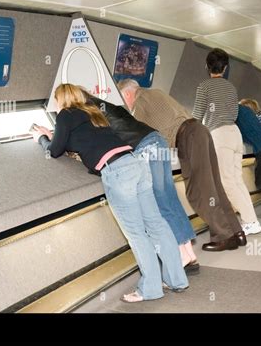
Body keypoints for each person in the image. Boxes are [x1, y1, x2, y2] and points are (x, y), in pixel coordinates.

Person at [32, 84, 188, 302]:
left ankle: (149, 289)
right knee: (156, 224)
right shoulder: (92, 112)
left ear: (61, 101)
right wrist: (56, 135)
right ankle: (177, 280)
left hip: (117, 172)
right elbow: (83, 139)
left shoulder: (66, 114)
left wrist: (42, 138)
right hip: (136, 163)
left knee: (136, 234)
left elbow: (54, 150)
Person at [77, 86, 199, 273]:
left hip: (144, 147)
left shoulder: (90, 112)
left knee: (160, 203)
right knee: (169, 198)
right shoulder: (109, 105)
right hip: (157, 139)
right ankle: (189, 253)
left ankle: (181, 255)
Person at [118, 79, 246, 251]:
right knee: (215, 186)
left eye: (123, 99)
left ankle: (224, 236)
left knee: (198, 192)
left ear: (127, 93)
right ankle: (236, 232)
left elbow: (135, 131)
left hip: (188, 138)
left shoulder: (140, 100)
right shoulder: (157, 92)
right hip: (199, 131)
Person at [191, 48, 261, 235]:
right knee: (237, 180)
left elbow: (197, 116)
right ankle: (251, 221)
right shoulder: (231, 88)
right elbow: (233, 113)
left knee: (227, 182)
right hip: (234, 134)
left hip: (220, 135)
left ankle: (249, 220)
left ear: (207, 66)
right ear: (225, 68)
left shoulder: (204, 86)